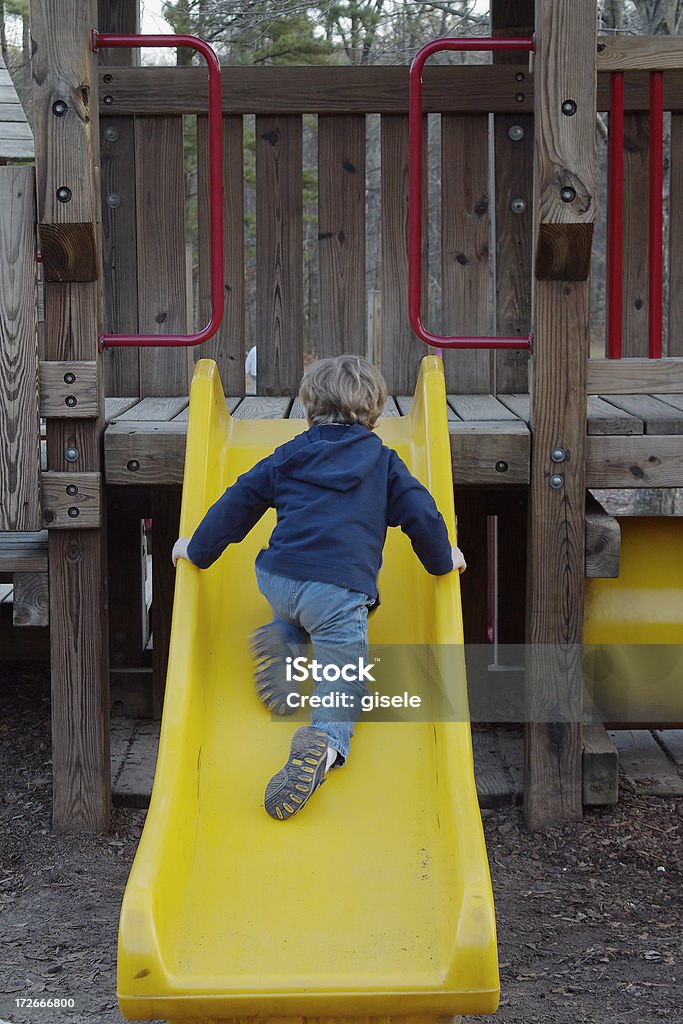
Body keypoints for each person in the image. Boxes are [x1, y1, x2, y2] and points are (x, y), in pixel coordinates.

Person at [172, 355, 466, 821]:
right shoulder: (384, 464)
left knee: (300, 610)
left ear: (307, 408)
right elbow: (421, 513)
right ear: (375, 413)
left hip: (277, 579)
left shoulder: (289, 454)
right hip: (335, 594)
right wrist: (442, 559)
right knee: (343, 676)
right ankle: (325, 744)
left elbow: (239, 499)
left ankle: (285, 637)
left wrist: (197, 549)